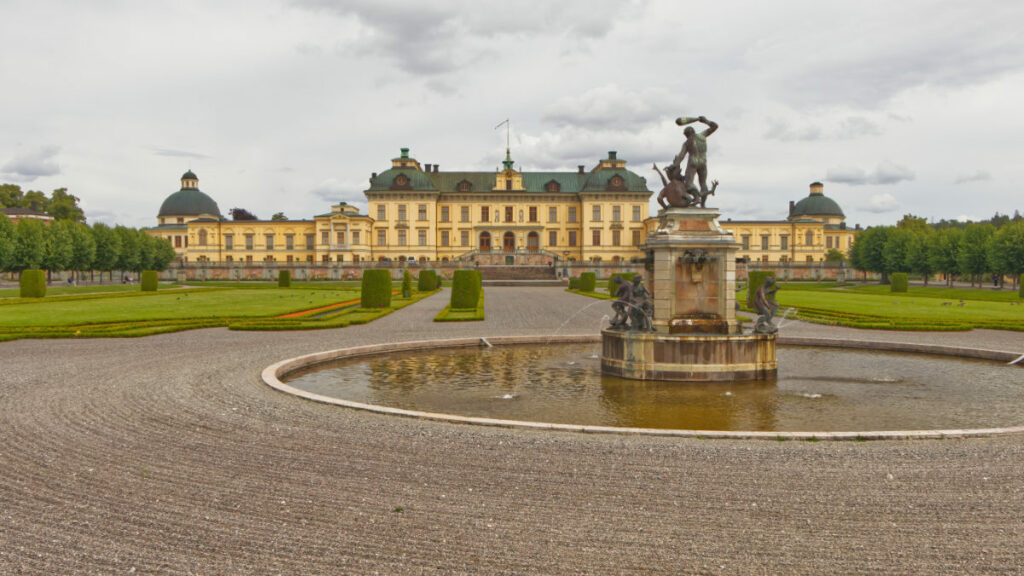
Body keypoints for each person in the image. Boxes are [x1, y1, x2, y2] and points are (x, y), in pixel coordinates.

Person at [672, 115, 718, 198]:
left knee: (688, 184)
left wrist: (674, 165)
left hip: (693, 161)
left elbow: (681, 156)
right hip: (703, 162)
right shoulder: (702, 136)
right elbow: (715, 126)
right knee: (703, 183)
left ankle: (696, 196)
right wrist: (706, 121)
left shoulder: (687, 143)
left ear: (686, 134)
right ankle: (703, 204)